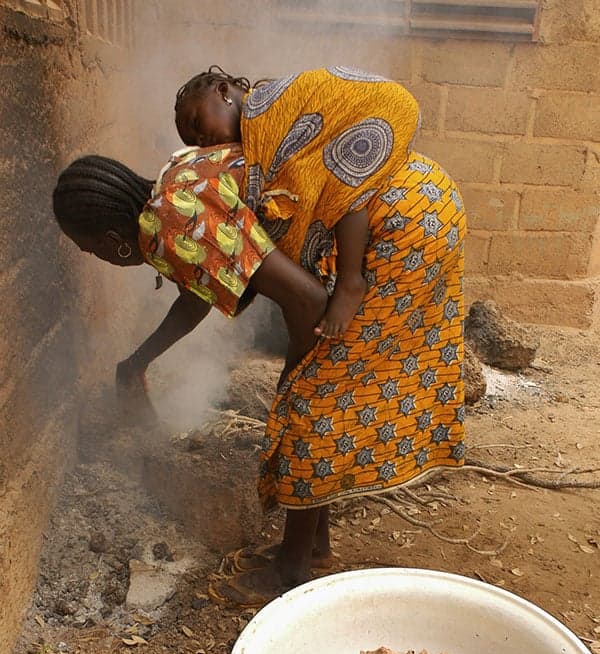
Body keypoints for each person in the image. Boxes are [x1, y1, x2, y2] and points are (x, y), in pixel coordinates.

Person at [53, 138, 466, 607]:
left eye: (89, 251)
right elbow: (198, 291)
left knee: (311, 410)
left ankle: (291, 570)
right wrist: (139, 360)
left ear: (111, 240)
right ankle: (312, 544)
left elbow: (309, 300)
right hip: (411, 195)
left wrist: (298, 385)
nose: (97, 259)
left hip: (403, 221)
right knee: (306, 407)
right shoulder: (172, 193)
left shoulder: (172, 226)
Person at [174, 66, 421, 341]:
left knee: (337, 181)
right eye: (195, 143)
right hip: (370, 111)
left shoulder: (265, 109)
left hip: (385, 109)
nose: (203, 140)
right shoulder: (256, 136)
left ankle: (351, 280)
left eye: (197, 123)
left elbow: (289, 180)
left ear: (223, 92)